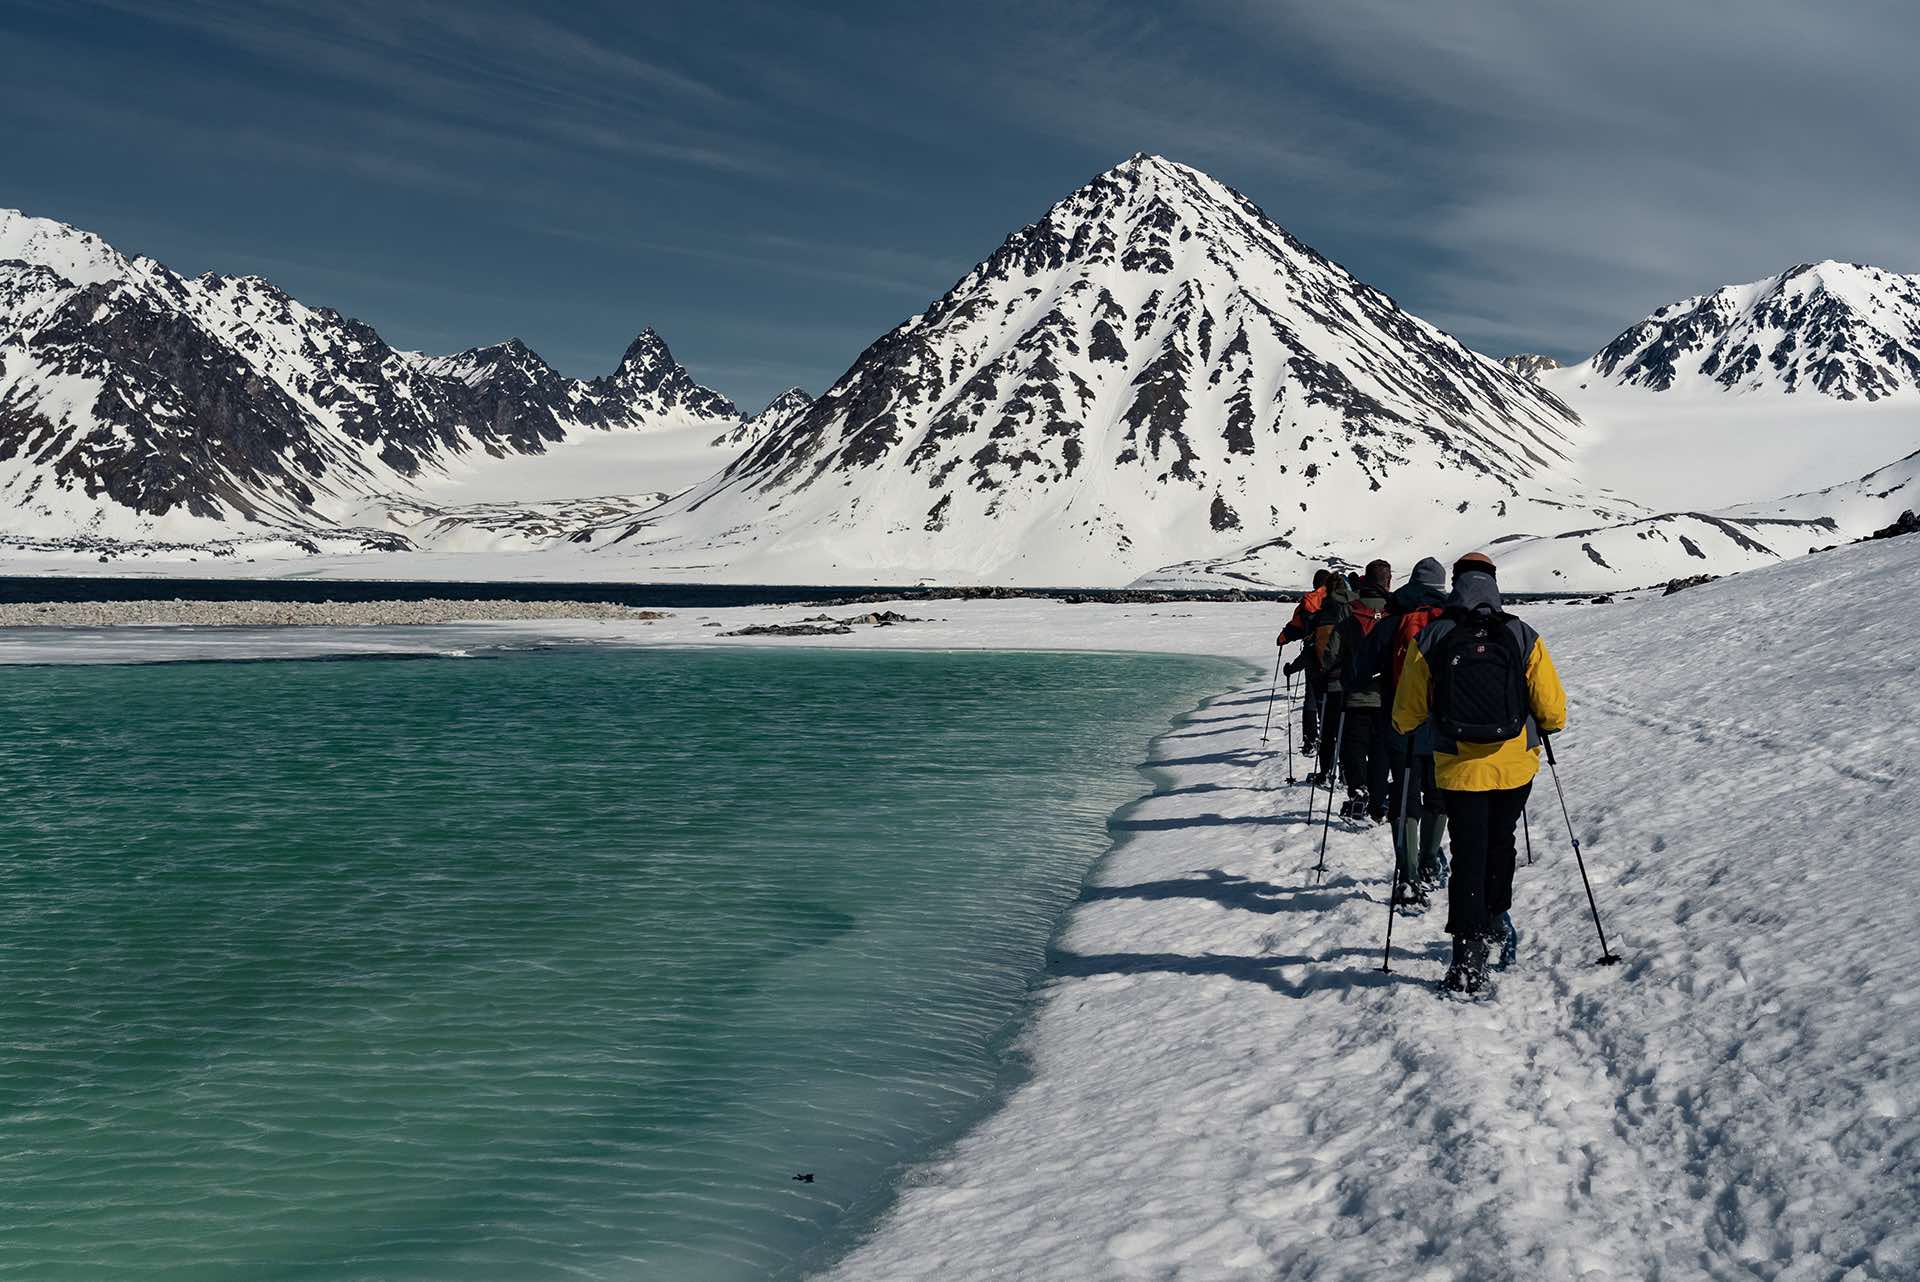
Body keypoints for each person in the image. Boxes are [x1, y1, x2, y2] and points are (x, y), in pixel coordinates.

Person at [1391, 551, 1566, 994]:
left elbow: (1407, 712)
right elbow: (1553, 711)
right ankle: (1495, 919)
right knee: (1500, 843)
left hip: (1458, 767)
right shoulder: (1522, 634)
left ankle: (1468, 956)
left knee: (1468, 852)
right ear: (1494, 583)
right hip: (1514, 767)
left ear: (1456, 584)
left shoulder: (1434, 635)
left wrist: (1408, 729)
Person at [1373, 557, 1450, 903]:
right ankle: (1431, 861)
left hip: (1400, 724)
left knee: (1404, 797)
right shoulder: (1453, 620)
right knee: (1437, 795)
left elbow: (1359, 666)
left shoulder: (1393, 620)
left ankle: (1408, 874)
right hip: (1444, 727)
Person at [1329, 574, 1390, 821]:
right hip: (1387, 695)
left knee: (1354, 745)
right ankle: (1378, 799)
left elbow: (1331, 655)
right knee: (1380, 750)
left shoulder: (1348, 612)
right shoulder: (1393, 613)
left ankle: (1357, 788)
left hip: (1355, 694)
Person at [1279, 567, 1335, 761]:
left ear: (1314, 584)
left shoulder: (1308, 602)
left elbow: (1296, 626)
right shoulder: (1340, 601)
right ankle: (1333, 744)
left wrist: (1284, 637)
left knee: (1310, 700)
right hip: (1337, 659)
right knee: (1333, 704)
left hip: (1312, 657)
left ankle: (1310, 743)